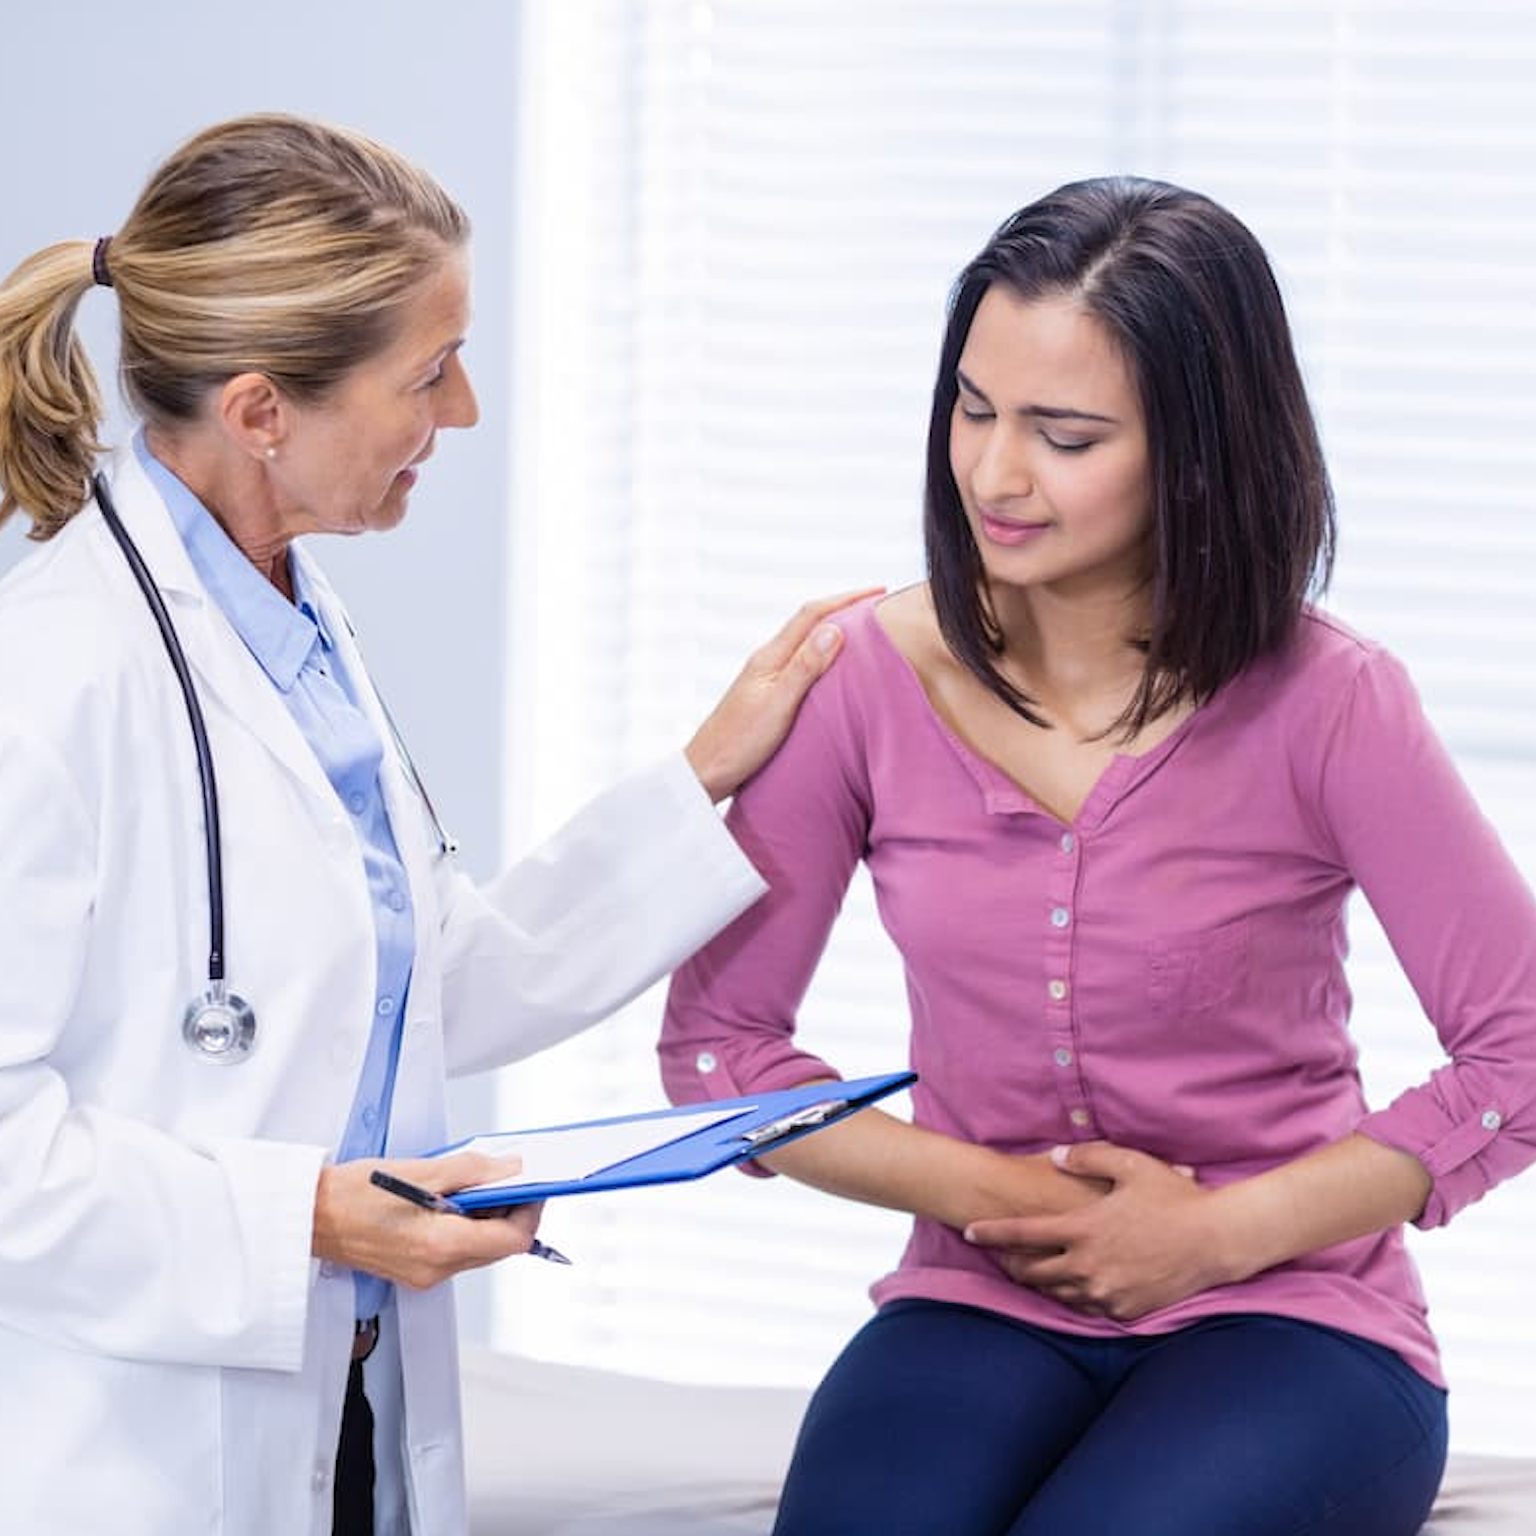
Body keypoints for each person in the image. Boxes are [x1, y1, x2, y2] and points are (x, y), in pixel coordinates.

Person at [0, 113, 865, 1536]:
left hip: (343, 1398)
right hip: (129, 1456)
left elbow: (422, 985)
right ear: (264, 412)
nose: (460, 411)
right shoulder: (50, 675)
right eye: (428, 372)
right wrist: (307, 1221)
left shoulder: (293, 624)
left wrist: (705, 772)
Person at [659, 175, 1536, 1535]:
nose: (995, 475)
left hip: (1296, 1320)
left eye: (1065, 435)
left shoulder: (1333, 702)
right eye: (974, 410)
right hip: (976, 1301)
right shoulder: (858, 682)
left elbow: (1520, 1049)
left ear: (1198, 449)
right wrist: (1001, 1196)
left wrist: (1212, 1234)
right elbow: (720, 1053)